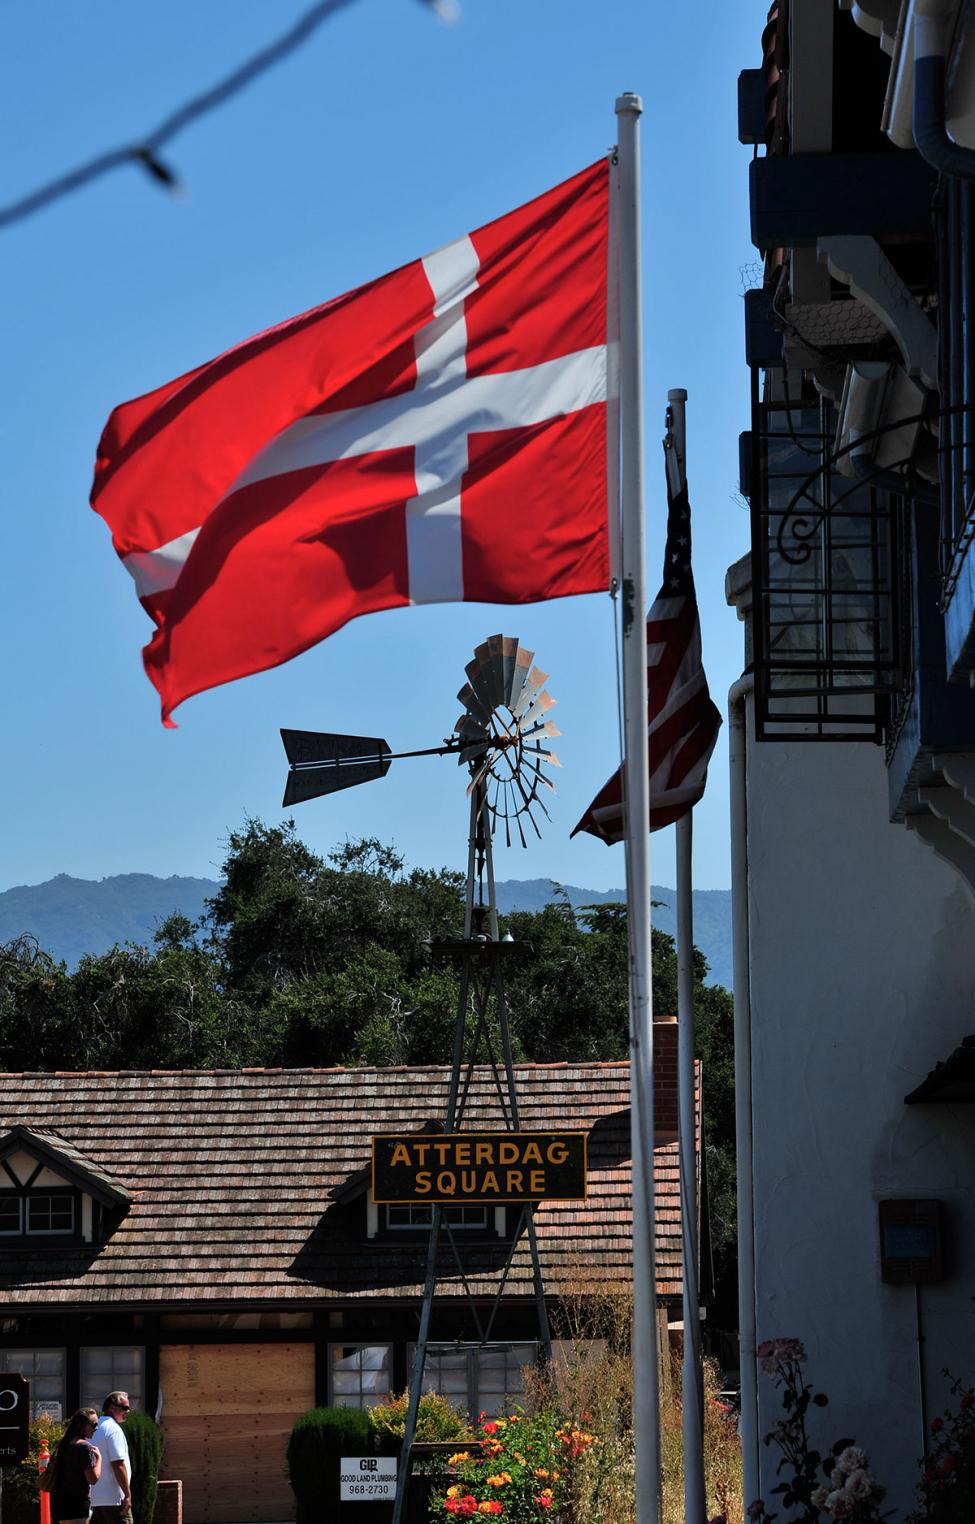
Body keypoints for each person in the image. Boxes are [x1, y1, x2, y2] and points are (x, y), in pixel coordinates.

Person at [50, 1408, 101, 1524]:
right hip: (78, 1504)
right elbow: (93, 1479)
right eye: (94, 1425)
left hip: (60, 1504)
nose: (96, 1428)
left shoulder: (63, 1444)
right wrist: (99, 1459)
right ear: (82, 1425)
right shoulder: (84, 1447)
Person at [90, 1392, 134, 1524]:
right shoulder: (113, 1429)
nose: (128, 1411)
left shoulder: (94, 1428)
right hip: (114, 1499)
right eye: (124, 1408)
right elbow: (118, 1464)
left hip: (95, 1499)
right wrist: (127, 1494)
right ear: (111, 1407)